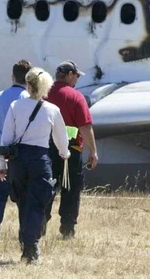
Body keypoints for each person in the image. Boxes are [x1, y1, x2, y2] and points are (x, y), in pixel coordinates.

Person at [0, 67, 70, 264]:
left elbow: (6, 138)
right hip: (40, 159)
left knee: (22, 202)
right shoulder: (52, 110)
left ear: (28, 86)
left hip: (18, 160)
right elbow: (61, 140)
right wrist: (65, 154)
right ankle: (32, 246)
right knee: (37, 203)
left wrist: (2, 163)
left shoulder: (15, 106)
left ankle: (26, 245)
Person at [0, 60, 32, 251]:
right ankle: (25, 237)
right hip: (24, 152)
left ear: (12, 77)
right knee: (24, 195)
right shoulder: (31, 99)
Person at [45, 60, 99, 239]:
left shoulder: (43, 94)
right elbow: (85, 126)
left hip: (45, 150)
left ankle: (39, 223)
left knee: (46, 187)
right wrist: (93, 151)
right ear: (69, 75)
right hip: (70, 151)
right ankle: (67, 228)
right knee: (70, 189)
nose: (77, 79)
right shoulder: (76, 97)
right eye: (76, 75)